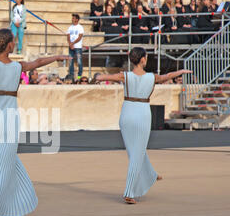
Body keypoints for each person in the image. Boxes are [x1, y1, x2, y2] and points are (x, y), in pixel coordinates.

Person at [0, 28, 69, 216]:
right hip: (7, 122)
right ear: (8, 45)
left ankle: (4, 205)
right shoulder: (17, 67)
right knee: (0, 167)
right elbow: (38, 63)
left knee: (4, 163)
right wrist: (58, 56)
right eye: (13, 42)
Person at [95, 47, 191, 204]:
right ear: (143, 59)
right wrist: (181, 71)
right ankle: (129, 192)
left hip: (126, 113)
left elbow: (104, 77)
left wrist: (98, 76)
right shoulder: (152, 77)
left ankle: (151, 175)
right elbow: (167, 76)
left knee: (136, 151)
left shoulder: (124, 76)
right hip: (142, 113)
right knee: (137, 154)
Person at [66, 13, 84, 81]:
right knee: (71, 61)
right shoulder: (70, 27)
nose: (72, 19)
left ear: (77, 19)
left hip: (78, 47)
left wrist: (72, 43)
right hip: (71, 47)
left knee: (79, 62)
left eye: (73, 18)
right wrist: (70, 44)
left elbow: (79, 37)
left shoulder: (80, 27)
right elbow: (68, 36)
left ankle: (79, 76)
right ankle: (71, 76)